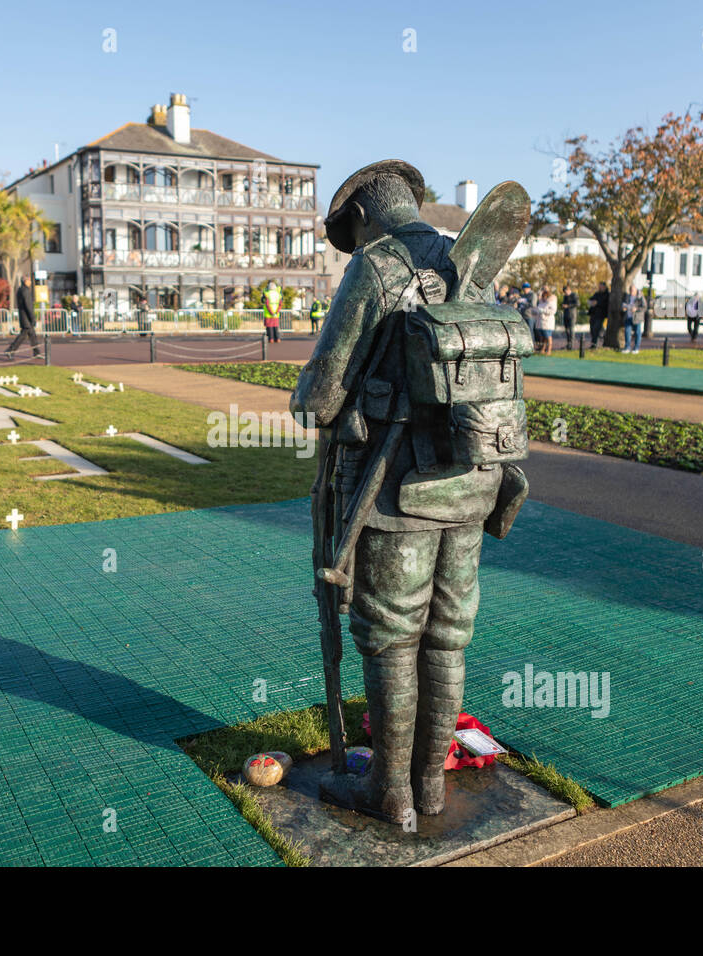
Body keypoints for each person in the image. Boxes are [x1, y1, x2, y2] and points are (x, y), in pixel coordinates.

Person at [291, 160, 522, 823]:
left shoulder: (376, 266)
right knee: (447, 637)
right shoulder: (467, 261)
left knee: (392, 637)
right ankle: (429, 786)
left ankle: (386, 792)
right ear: (411, 200)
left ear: (360, 216)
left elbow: (323, 395)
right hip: (475, 479)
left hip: (399, 491)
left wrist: (305, 395)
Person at [6, 277, 41, 357]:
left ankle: (37, 352)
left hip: (24, 317)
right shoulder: (25, 291)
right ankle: (10, 350)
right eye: (29, 280)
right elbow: (28, 305)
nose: (30, 282)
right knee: (23, 336)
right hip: (26, 318)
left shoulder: (20, 289)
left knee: (32, 335)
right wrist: (32, 318)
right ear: (25, 281)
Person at [622, 286, 646, 353]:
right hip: (628, 317)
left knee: (637, 333)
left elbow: (644, 307)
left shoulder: (640, 297)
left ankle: (636, 348)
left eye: (632, 290)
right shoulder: (627, 296)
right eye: (630, 290)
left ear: (636, 290)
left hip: (637, 318)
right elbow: (624, 304)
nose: (631, 291)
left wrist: (636, 309)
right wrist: (624, 308)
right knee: (627, 332)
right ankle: (627, 347)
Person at [534, 287, 557, 354]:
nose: (544, 298)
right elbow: (538, 309)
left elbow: (553, 311)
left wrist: (543, 311)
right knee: (543, 337)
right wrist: (537, 311)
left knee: (548, 337)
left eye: (545, 296)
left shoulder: (551, 302)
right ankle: (543, 349)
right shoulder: (542, 302)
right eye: (543, 296)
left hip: (548, 323)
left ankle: (549, 350)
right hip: (541, 322)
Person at [587, 281, 608, 348]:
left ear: (604, 287)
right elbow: (591, 299)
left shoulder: (607, 294)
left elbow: (605, 304)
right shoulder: (597, 294)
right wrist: (591, 302)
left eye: (601, 286)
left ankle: (595, 343)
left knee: (596, 328)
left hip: (601, 314)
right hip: (593, 314)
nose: (599, 288)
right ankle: (594, 341)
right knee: (592, 328)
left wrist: (597, 303)